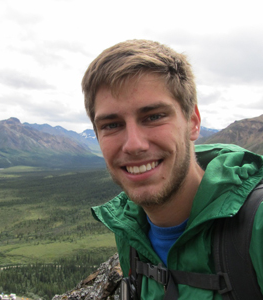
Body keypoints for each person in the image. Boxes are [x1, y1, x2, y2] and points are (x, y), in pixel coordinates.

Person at [81, 39, 263, 299]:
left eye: (153, 117)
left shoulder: (257, 225)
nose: (133, 145)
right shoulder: (129, 234)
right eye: (111, 125)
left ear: (193, 122)